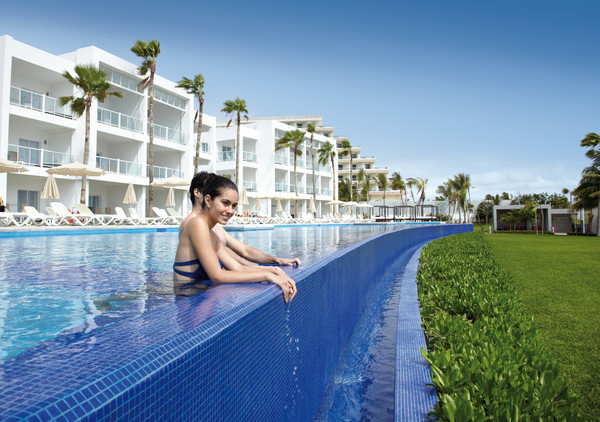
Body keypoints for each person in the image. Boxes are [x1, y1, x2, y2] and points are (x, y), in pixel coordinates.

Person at [173, 174, 297, 302]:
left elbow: (238, 267)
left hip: (202, 297)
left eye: (233, 206)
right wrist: (267, 275)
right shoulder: (196, 224)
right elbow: (217, 275)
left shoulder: (212, 234)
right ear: (208, 200)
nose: (230, 211)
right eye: (225, 203)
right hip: (188, 301)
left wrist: (274, 271)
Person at [183, 172, 302, 267]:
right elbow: (227, 264)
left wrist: (277, 260)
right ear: (198, 193)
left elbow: (244, 251)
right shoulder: (192, 224)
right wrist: (262, 270)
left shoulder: (213, 225)